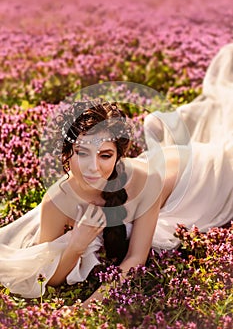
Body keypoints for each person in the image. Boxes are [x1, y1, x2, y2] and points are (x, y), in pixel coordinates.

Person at [0, 43, 232, 303]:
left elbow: (135, 258)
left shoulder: (146, 182)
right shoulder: (56, 202)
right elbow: (47, 275)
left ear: (119, 156)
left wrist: (88, 307)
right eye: (82, 152)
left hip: (200, 178)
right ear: (67, 154)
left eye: (105, 155)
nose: (93, 167)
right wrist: (76, 245)